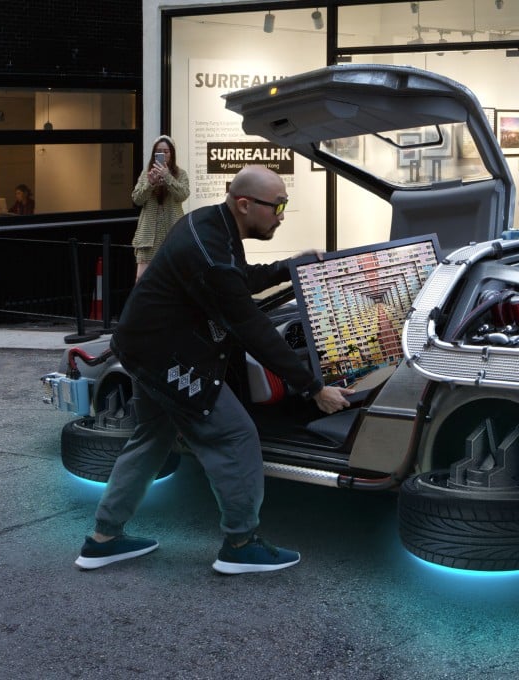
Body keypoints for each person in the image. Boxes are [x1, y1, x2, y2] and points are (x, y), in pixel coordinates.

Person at [75, 164, 354, 575]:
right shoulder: (209, 249)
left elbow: (240, 280)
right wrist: (313, 387)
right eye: (278, 205)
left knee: (151, 437)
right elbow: (252, 326)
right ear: (245, 204)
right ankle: (240, 544)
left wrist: (290, 266)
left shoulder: (212, 225)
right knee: (236, 436)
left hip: (143, 350)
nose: (281, 214)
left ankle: (103, 539)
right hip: (167, 360)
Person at [131, 135, 190, 282]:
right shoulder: (146, 174)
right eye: (159, 152)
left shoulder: (180, 174)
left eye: (166, 151)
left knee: (171, 277)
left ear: (172, 154)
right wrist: (150, 184)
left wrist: (168, 177)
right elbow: (136, 199)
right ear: (154, 154)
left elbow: (182, 195)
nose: (163, 155)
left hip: (172, 232)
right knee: (142, 278)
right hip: (148, 236)